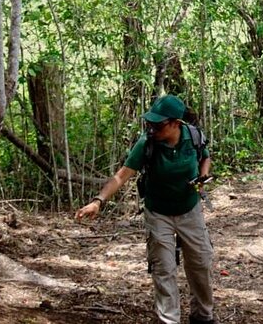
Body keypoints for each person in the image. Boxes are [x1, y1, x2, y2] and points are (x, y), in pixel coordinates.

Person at [75, 94, 215, 324]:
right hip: (158, 213)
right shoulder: (146, 143)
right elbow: (121, 176)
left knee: (201, 263)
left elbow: (205, 157)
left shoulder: (193, 136)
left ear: (175, 123)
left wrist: (201, 178)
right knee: (164, 268)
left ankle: (203, 316)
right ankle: (169, 320)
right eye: (149, 123)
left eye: (158, 124)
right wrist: (98, 201)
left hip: (190, 210)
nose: (152, 128)